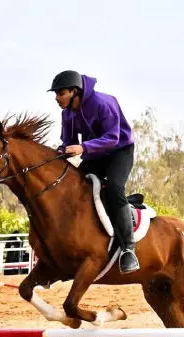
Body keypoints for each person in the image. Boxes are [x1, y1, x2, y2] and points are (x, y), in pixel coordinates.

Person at [48, 70, 139, 273]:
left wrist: (82, 148)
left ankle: (128, 250)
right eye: (56, 94)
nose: (57, 98)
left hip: (119, 151)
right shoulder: (67, 113)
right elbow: (69, 142)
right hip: (95, 154)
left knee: (114, 188)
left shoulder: (103, 103)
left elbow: (112, 138)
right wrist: (61, 152)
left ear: (74, 91)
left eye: (60, 93)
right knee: (73, 188)